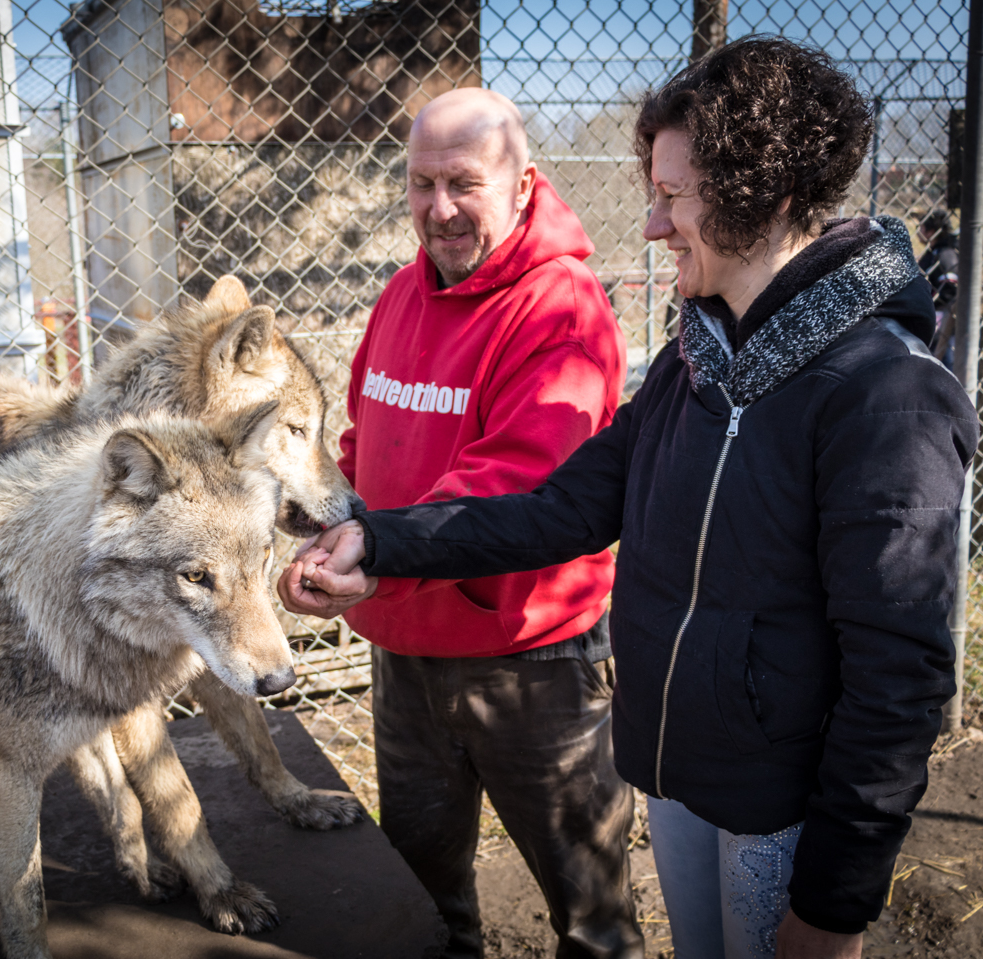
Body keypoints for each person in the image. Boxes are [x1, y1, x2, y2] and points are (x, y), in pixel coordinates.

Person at [286, 38, 978, 959]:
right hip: (681, 775)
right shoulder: (698, 365)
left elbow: (898, 681)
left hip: (780, 805)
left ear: (763, 197)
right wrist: (379, 545)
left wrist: (837, 901)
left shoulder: (886, 393)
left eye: (672, 197)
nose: (650, 226)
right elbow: (558, 508)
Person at [278, 87, 643, 958]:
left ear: (522, 184)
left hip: (530, 659)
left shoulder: (562, 307)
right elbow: (367, 445)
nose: (438, 209)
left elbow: (517, 483)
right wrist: (327, 538)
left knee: (589, 910)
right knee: (419, 891)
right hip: (405, 644)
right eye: (420, 182)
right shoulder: (403, 293)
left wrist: (377, 550)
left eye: (464, 183)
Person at [916, 210, 959, 367]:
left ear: (932, 232)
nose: (919, 232)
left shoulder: (945, 254)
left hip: (942, 316)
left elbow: (950, 288)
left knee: (945, 361)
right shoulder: (933, 252)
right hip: (933, 316)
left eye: (922, 227)